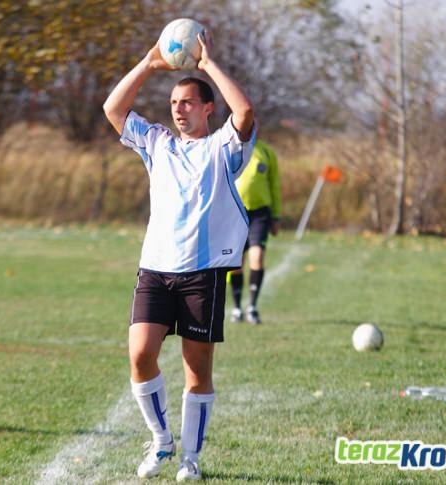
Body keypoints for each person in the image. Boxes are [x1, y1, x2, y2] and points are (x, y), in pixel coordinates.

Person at [103, 30, 255, 482]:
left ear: (208, 108)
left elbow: (244, 112)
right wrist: (149, 63)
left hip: (202, 275)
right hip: (155, 271)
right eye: (173, 104)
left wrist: (207, 65)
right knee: (140, 355)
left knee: (197, 373)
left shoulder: (225, 149)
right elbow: (113, 109)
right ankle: (161, 440)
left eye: (187, 102)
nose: (178, 109)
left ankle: (190, 459)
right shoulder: (156, 143)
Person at [228, 140, 282, 324]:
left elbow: (274, 185)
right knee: (235, 264)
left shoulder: (266, 152)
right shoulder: (230, 148)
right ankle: (236, 308)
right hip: (234, 212)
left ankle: (252, 306)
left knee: (257, 258)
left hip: (260, 213)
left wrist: (276, 215)